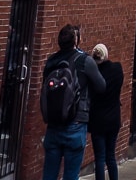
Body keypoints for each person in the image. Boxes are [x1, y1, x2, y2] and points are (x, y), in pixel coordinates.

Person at [42, 24, 106, 180]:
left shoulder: (51, 61)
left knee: (49, 174)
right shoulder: (84, 60)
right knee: (71, 175)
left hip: (54, 123)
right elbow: (101, 86)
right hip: (76, 123)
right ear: (76, 40)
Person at [88, 44, 123, 180]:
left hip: (97, 120)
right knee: (111, 157)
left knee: (100, 159)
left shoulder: (94, 74)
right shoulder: (117, 69)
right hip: (113, 118)